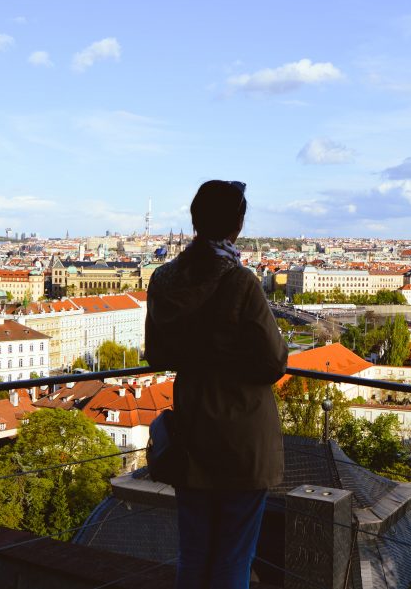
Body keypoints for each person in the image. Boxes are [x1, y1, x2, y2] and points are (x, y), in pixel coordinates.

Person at [145, 180, 287, 589]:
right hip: (242, 437)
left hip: (191, 432)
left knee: (192, 557)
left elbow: (157, 354)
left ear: (195, 220)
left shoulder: (164, 280)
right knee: (233, 558)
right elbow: (274, 361)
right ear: (237, 226)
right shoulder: (240, 281)